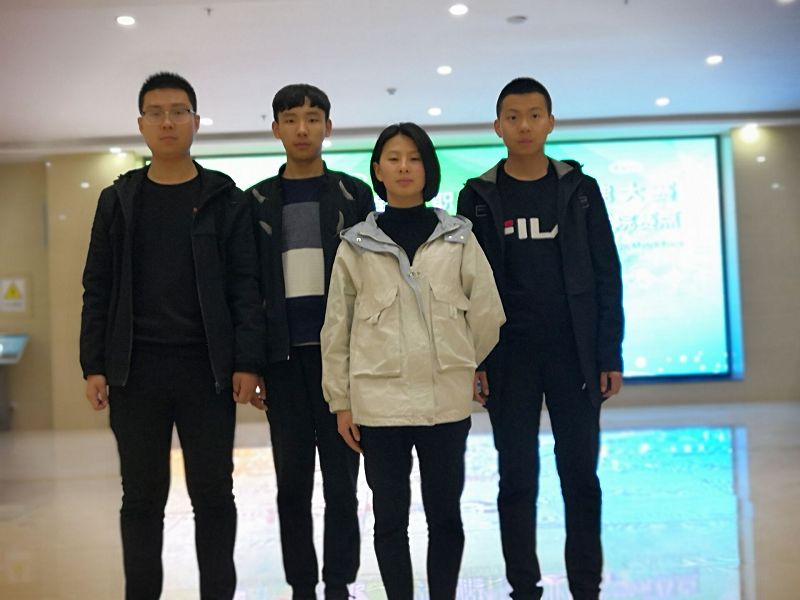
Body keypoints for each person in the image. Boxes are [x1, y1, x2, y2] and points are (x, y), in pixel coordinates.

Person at [80, 71, 265, 599]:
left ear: (196, 121)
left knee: (214, 497)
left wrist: (247, 360)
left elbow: (245, 286)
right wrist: (94, 364)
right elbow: (97, 286)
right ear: (141, 124)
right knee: (141, 499)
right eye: (156, 113)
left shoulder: (225, 198)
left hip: (206, 371)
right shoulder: (119, 200)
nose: (167, 122)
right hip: (135, 373)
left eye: (178, 111)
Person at [321, 122, 505, 600]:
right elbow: (336, 329)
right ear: (378, 170)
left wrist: (458, 361)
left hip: (445, 403)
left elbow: (487, 313)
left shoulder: (458, 238)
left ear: (429, 168)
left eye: (415, 158)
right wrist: (342, 401)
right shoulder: (356, 245)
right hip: (379, 406)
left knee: (446, 517)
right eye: (394, 158)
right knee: (389, 520)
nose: (404, 167)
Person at [456, 77, 624, 600]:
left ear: (550, 122)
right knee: (516, 479)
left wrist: (609, 353)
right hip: (509, 359)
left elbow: (607, 274)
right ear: (497, 126)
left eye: (534, 115)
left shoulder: (580, 190)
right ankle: (523, 588)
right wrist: (475, 360)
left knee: (581, 477)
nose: (524, 125)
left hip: (575, 355)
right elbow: (462, 287)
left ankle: (586, 586)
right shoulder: (477, 196)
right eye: (513, 116)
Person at [246, 83, 374, 600]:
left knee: (343, 483)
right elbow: (246, 286)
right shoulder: (255, 201)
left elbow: (372, 281)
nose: (303, 129)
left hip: (339, 362)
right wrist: (252, 361)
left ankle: (339, 582)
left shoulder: (353, 195)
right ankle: (301, 584)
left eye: (313, 118)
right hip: (283, 362)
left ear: (328, 127)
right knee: (292, 484)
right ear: (276, 128)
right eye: (292, 119)